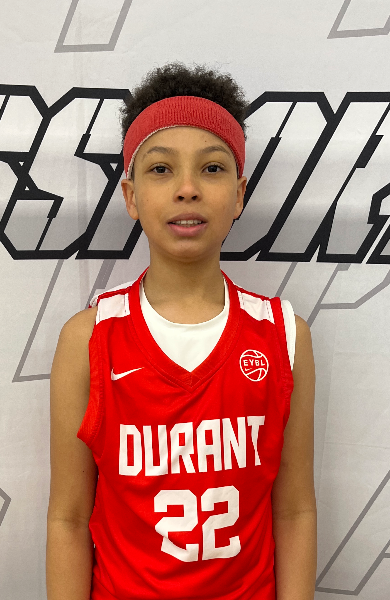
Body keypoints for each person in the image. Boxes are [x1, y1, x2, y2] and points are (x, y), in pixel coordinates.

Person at [46, 63, 317, 600]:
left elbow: (293, 510)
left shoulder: (284, 335)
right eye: (161, 169)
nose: (187, 189)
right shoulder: (88, 339)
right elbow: (69, 519)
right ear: (130, 196)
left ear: (239, 194)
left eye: (212, 169)